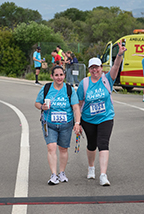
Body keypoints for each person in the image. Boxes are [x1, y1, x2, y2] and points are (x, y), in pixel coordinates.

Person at [77, 42, 127, 186]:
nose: (95, 70)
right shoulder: (84, 83)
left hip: (106, 117)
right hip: (88, 119)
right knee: (92, 145)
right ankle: (91, 167)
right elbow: (79, 104)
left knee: (103, 143)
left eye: (97, 67)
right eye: (92, 68)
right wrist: (78, 122)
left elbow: (116, 66)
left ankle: (103, 175)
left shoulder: (107, 79)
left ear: (101, 68)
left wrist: (119, 54)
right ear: (89, 69)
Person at [35, 65, 81, 185]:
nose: (59, 77)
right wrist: (42, 107)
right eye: (56, 75)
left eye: (61, 75)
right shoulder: (46, 88)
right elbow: (36, 103)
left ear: (64, 76)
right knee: (51, 148)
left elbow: (76, 108)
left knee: (63, 149)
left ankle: (62, 172)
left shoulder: (69, 89)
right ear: (52, 76)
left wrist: (77, 123)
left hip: (66, 124)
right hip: (49, 124)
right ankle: (54, 175)